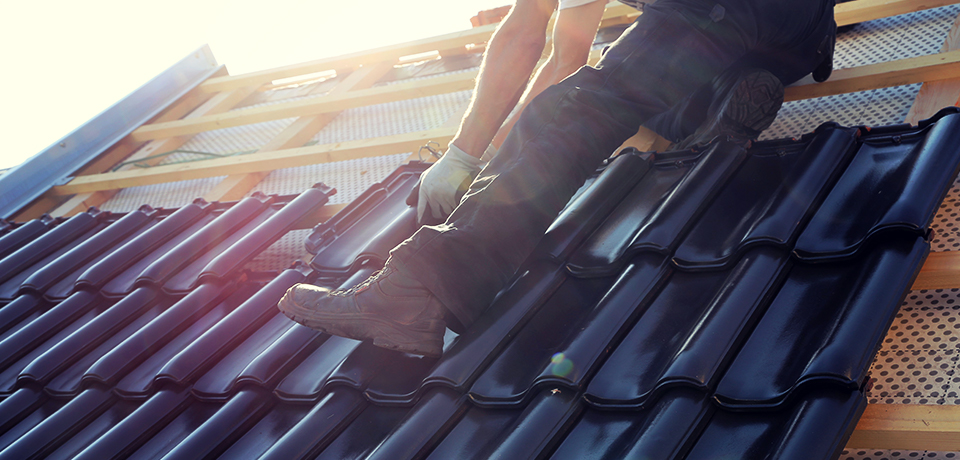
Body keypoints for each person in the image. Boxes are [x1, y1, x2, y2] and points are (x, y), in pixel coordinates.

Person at [278, 0, 838, 358]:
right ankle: (722, 96)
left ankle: (415, 292)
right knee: (630, 88)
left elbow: (530, 38)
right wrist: (479, 165)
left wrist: (464, 153)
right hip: (798, 34)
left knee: (586, 108)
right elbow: (565, 54)